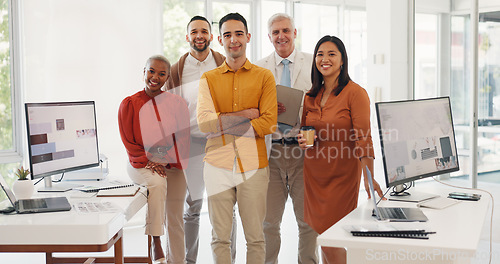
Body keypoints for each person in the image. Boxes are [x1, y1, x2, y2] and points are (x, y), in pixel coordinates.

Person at [196, 13, 277, 264]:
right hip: (216, 163)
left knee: (255, 238)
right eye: (228, 35)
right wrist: (245, 115)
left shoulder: (264, 77)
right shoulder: (208, 79)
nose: (234, 40)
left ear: (248, 37)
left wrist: (222, 124)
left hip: (253, 165)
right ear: (220, 39)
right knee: (220, 237)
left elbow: (268, 123)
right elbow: (205, 124)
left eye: (238, 34)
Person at [297, 36, 384, 264]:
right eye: (320, 54)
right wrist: (303, 140)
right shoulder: (310, 96)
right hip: (314, 176)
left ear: (343, 60)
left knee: (332, 240)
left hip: (342, 175)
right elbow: (306, 131)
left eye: (331, 54)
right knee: (323, 238)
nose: (325, 59)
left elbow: (364, 137)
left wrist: (369, 177)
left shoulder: (355, 93)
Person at [166, 15, 237, 264]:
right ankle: (188, 260)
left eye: (204, 31)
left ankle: (228, 259)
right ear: (187, 37)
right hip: (192, 146)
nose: (199, 36)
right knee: (192, 207)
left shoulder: (224, 63)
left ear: (211, 36)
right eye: (194, 31)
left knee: (227, 207)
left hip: (221, 143)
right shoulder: (176, 70)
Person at [255, 13, 318, 264]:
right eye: (275, 32)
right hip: (271, 154)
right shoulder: (259, 68)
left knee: (307, 221)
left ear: (294, 32)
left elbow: (321, 106)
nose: (281, 36)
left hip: (303, 153)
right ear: (269, 37)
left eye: (286, 30)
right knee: (269, 222)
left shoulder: (313, 63)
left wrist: (310, 134)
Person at [118, 55, 190, 264]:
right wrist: (149, 161)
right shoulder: (129, 104)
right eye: (151, 71)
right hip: (139, 161)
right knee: (157, 183)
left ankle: (178, 261)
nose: (155, 77)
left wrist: (164, 160)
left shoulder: (178, 104)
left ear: (167, 77)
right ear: (144, 72)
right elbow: (129, 142)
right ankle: (155, 240)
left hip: (172, 162)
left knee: (175, 217)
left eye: (161, 74)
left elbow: (183, 141)